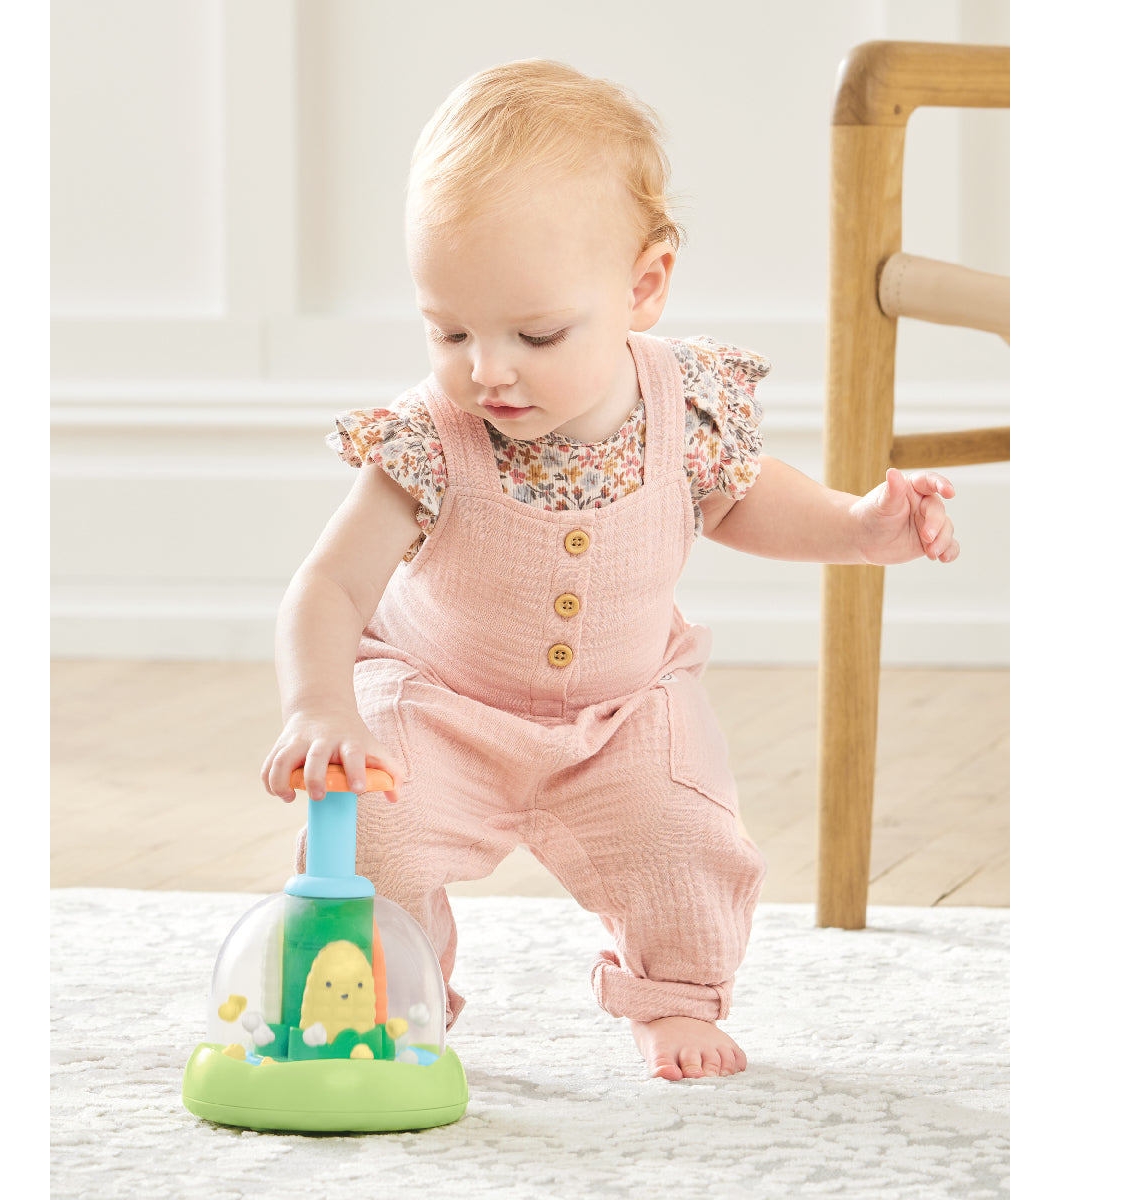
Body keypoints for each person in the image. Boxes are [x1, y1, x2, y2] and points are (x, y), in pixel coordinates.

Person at [260, 60, 959, 1082]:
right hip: (441, 705)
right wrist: (322, 706)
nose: (487, 367)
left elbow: (743, 495)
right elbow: (329, 586)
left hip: (625, 713)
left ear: (643, 287)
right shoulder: (428, 435)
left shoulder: (686, 404)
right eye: (449, 330)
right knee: (372, 835)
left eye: (533, 333)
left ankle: (673, 1000)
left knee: (689, 846)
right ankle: (392, 1007)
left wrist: (857, 528)